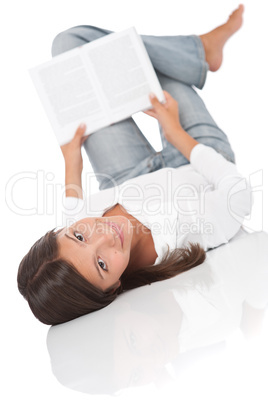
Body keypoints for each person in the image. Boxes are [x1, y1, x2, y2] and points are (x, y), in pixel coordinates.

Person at [18, 5, 251, 326]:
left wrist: (71, 158)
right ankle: (200, 50)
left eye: (78, 236)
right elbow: (237, 195)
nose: (105, 236)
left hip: (127, 175)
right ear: (112, 288)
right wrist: (176, 133)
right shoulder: (182, 238)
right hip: (198, 160)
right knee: (158, 71)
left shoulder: (73, 238)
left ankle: (198, 51)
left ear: (61, 232)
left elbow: (72, 208)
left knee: (68, 43)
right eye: (102, 264)